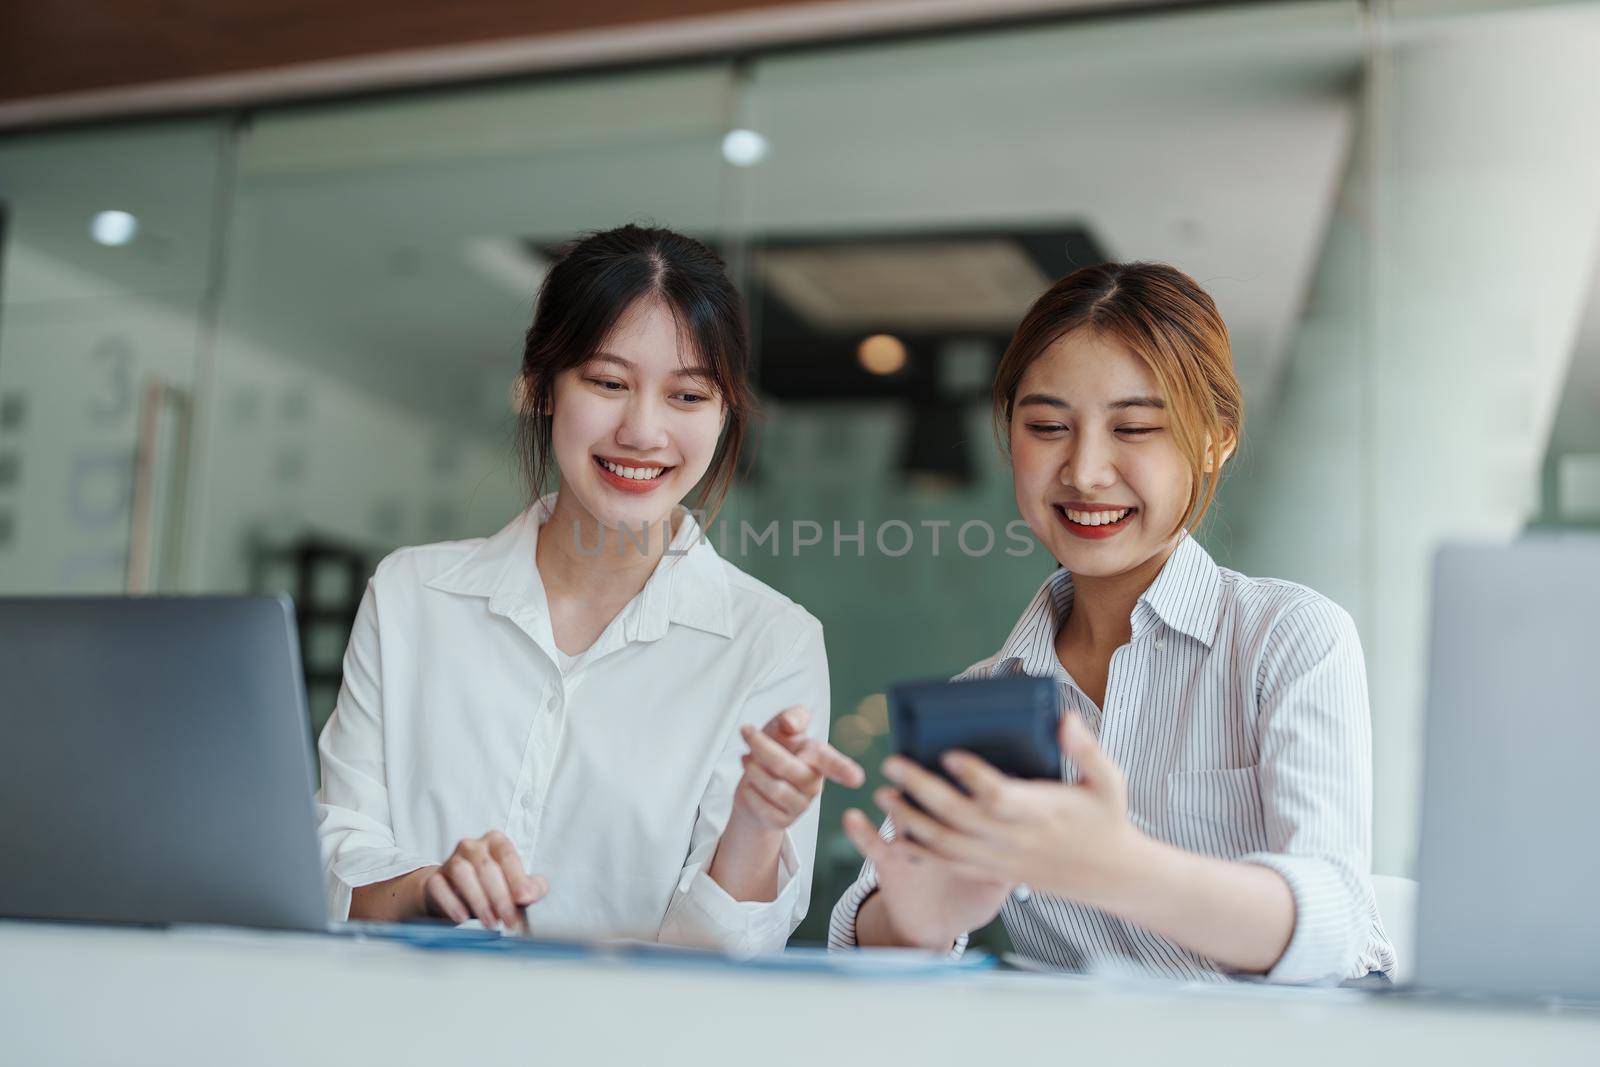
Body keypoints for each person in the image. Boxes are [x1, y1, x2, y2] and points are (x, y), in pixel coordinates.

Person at [830, 262, 1395, 984]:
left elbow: (1338, 927)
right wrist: (920, 916)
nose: (1086, 470)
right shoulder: (987, 694)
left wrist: (1121, 869)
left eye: (1134, 426)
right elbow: (873, 939)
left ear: (1218, 437)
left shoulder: (1287, 638)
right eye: (1046, 426)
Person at [316, 224, 863, 956]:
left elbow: (732, 958)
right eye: (608, 383)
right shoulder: (413, 595)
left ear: (725, 410)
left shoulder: (771, 643)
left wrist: (755, 831)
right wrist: (424, 889)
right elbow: (333, 859)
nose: (642, 431)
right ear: (543, 387)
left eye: (688, 395)